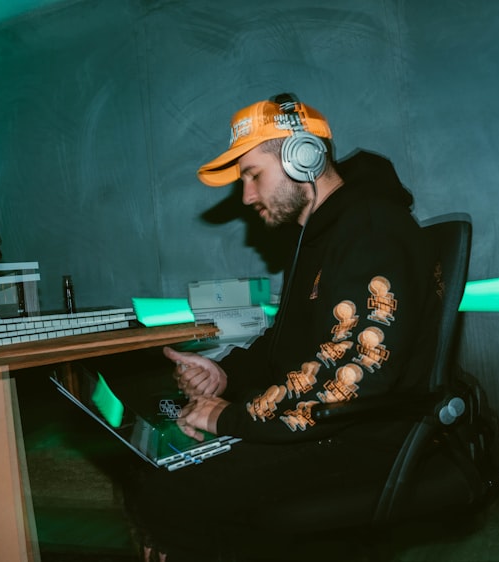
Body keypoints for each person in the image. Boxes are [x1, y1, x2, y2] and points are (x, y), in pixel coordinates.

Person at [123, 94, 440, 561]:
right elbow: (290, 344)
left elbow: (352, 374)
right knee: (157, 469)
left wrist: (228, 417)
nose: (247, 195)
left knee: (169, 492)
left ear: (303, 156)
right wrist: (225, 377)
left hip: (361, 438)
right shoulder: (320, 236)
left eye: (253, 175)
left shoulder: (370, 231)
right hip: (329, 427)